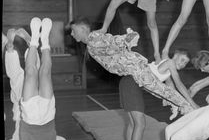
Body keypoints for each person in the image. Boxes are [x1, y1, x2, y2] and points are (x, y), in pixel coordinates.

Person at [69, 16, 198, 118]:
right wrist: (127, 43)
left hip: (136, 68)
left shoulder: (93, 39)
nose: (72, 34)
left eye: (73, 31)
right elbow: (113, 48)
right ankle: (183, 106)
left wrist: (128, 38)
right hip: (133, 67)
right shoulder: (91, 43)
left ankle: (191, 107)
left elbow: (113, 41)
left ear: (82, 29)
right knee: (160, 91)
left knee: (162, 91)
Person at [6, 17, 78, 140]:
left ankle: (33, 42)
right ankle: (44, 41)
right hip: (46, 114)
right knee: (45, 72)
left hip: (30, 116)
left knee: (31, 72)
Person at [4, 28, 67, 140]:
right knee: (28, 74)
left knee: (32, 73)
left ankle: (25, 46)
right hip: (28, 110)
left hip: (27, 112)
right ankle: (18, 48)